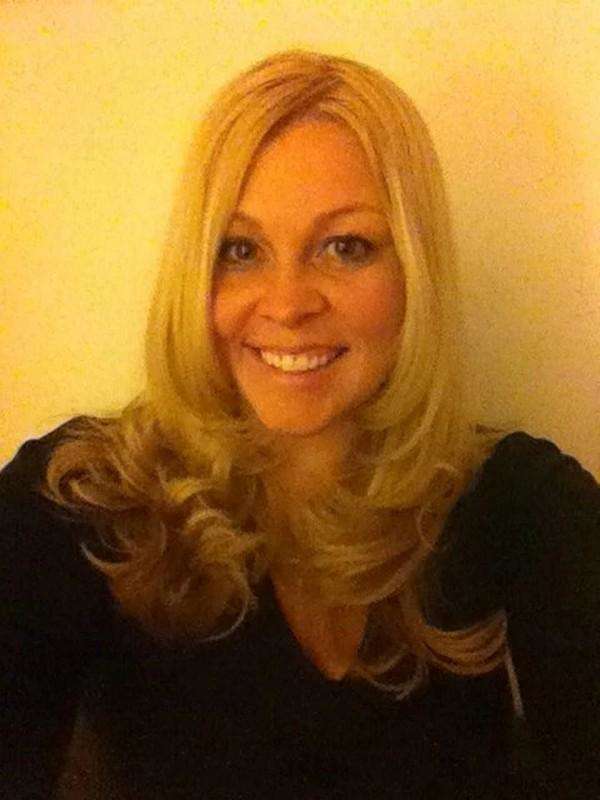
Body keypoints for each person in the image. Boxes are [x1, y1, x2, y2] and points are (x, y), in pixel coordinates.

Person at [1, 49, 599, 799]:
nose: (287, 304)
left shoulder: (522, 504)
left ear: (414, 270)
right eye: (241, 250)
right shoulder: (78, 501)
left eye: (345, 247)